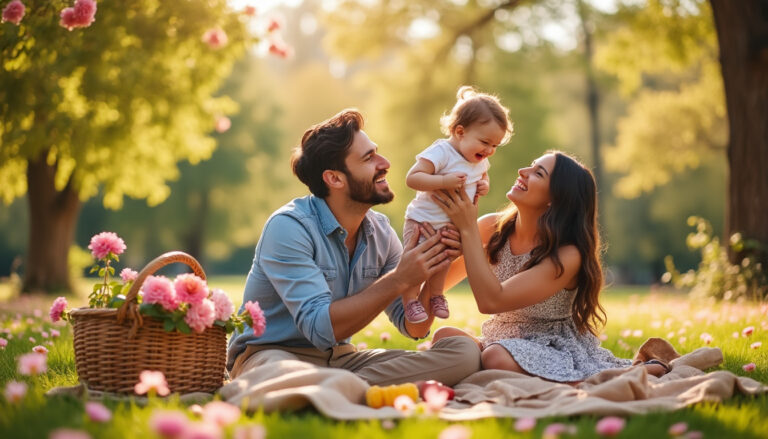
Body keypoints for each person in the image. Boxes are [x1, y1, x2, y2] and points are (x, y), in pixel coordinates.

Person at [226, 109, 482, 387]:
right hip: (273, 354)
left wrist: (434, 269)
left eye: (377, 153)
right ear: (334, 179)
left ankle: (337, 385)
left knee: (463, 355)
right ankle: (331, 385)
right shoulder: (289, 227)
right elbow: (321, 329)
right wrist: (399, 279)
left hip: (342, 359)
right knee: (278, 376)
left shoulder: (381, 232)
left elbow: (415, 327)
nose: (385, 163)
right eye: (368, 158)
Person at [430, 151, 669, 382]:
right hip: (499, 338)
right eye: (530, 166)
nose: (522, 171)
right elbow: (436, 287)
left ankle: (619, 374)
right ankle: (492, 360)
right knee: (445, 337)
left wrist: (467, 229)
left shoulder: (567, 255)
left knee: (494, 357)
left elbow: (491, 301)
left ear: (555, 198)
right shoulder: (492, 228)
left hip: (551, 345)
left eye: (538, 173)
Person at [401, 86, 513, 323]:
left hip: (449, 225)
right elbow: (413, 178)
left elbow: (483, 175)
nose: (489, 150)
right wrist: (441, 180)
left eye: (495, 145)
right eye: (485, 142)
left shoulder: (478, 159)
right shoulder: (442, 152)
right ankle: (410, 301)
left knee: (443, 262)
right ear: (460, 132)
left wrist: (484, 185)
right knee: (416, 263)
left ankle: (437, 296)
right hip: (422, 221)